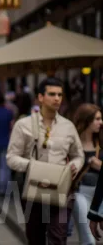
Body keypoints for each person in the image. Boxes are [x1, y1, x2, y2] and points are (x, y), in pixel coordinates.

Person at [7, 77, 84, 245]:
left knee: (59, 236)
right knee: (35, 237)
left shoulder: (68, 126)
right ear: (40, 97)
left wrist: (74, 166)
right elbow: (11, 158)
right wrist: (33, 167)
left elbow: (79, 155)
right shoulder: (23, 125)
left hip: (62, 189)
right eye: (52, 94)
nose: (57, 98)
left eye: (60, 94)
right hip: (33, 190)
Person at [71, 103, 102, 245]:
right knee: (88, 238)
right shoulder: (73, 141)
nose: (101, 122)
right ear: (86, 120)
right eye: (97, 119)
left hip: (100, 195)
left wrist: (99, 165)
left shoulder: (101, 141)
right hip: (81, 192)